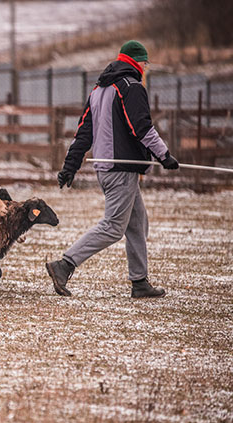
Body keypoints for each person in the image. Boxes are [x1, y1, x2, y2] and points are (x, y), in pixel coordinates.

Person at [46, 40, 179, 299]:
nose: (145, 67)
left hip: (107, 169)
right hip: (122, 169)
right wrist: (164, 155)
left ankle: (140, 282)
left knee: (137, 223)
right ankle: (64, 265)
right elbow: (141, 128)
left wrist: (69, 167)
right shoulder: (131, 87)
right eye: (144, 63)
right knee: (113, 227)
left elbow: (84, 132)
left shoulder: (99, 89)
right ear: (137, 62)